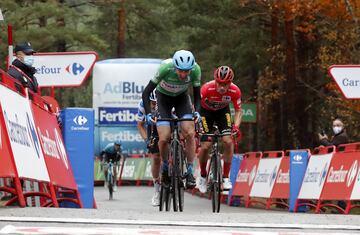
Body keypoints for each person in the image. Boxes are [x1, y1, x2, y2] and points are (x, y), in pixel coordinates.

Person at [141, 50, 201, 189]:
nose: (183, 74)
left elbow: (197, 96)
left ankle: (190, 172)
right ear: (175, 67)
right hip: (163, 99)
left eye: (187, 71)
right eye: (180, 71)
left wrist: (197, 112)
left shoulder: (196, 70)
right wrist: (149, 114)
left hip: (182, 99)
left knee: (190, 133)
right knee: (164, 137)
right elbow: (146, 92)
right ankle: (166, 168)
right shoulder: (165, 67)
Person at [197, 66, 242, 193]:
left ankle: (226, 177)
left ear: (230, 83)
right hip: (206, 113)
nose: (222, 87)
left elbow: (238, 111)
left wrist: (236, 127)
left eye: (225, 84)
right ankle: (203, 175)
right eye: (219, 83)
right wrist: (196, 123)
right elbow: (196, 107)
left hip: (223, 112)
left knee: (228, 141)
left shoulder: (235, 91)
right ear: (215, 81)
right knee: (205, 145)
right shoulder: (206, 88)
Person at [136, 89, 161, 206]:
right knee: (156, 157)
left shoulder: (167, 102)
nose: (155, 105)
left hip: (167, 122)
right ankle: (157, 188)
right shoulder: (142, 104)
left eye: (157, 103)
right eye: (152, 103)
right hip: (152, 127)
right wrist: (147, 140)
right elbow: (140, 125)